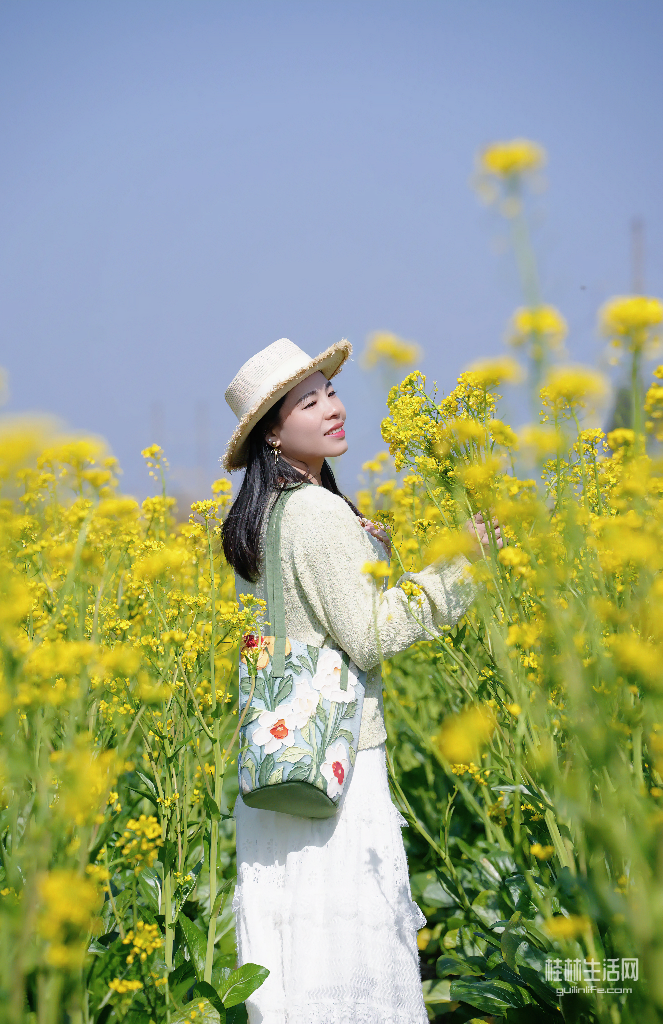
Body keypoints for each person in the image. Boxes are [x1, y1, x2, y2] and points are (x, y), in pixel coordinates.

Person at [220, 337, 502, 1024]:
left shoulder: (272, 513)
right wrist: (462, 566)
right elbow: (371, 635)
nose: (333, 409)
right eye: (307, 403)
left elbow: (320, 612)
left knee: (301, 952)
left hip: (283, 763)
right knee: (349, 948)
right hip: (336, 762)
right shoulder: (317, 513)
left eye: (331, 392)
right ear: (273, 433)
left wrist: (367, 549)